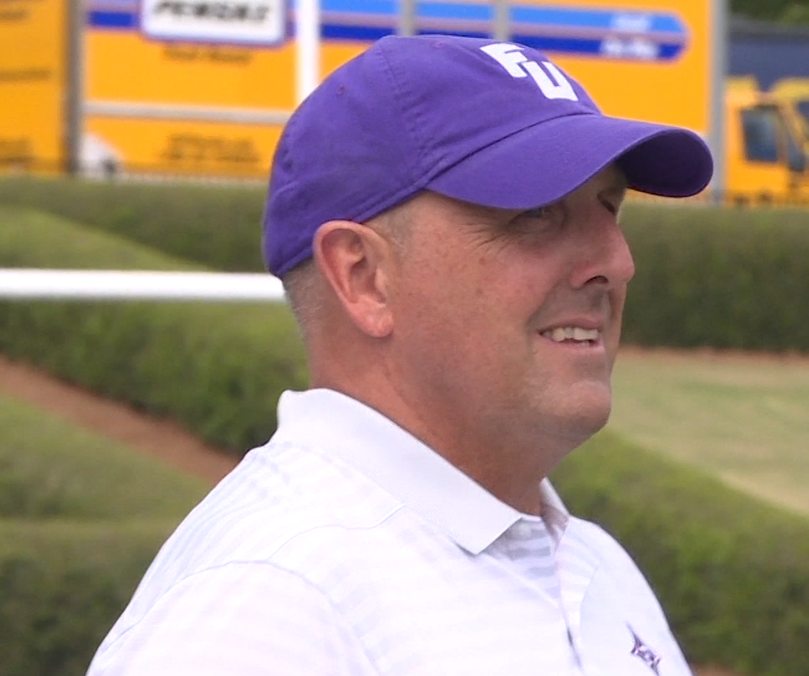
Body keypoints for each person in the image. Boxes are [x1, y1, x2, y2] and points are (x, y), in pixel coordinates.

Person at [86, 34, 712, 676]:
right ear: (363, 277)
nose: (616, 262)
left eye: (610, 208)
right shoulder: (264, 602)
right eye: (536, 212)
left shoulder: (597, 565)